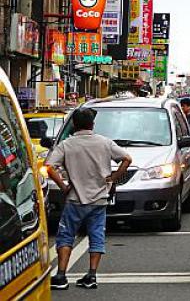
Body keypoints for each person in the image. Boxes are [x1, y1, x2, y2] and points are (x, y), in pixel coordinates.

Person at [46, 108, 134, 290]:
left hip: (75, 199)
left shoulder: (66, 144)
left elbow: (49, 167)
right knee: (96, 235)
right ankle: (92, 275)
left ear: (74, 125)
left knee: (65, 235)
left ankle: (61, 275)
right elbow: (126, 158)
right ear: (92, 124)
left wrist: (63, 186)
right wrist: (114, 177)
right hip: (99, 199)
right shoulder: (104, 142)